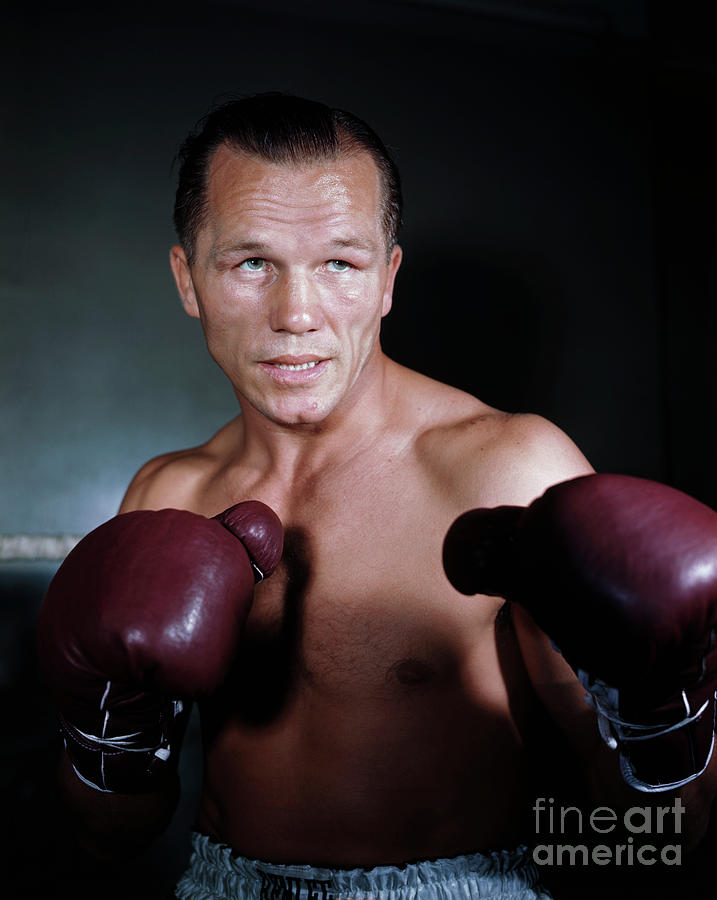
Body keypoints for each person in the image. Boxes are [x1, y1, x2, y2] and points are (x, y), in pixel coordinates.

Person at [37, 92, 717, 899]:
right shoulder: (169, 491)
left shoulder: (507, 470)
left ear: (387, 280)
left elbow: (663, 835)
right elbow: (114, 837)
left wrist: (660, 713)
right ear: (189, 279)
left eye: (340, 264)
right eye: (252, 262)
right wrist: (106, 731)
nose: (296, 314)